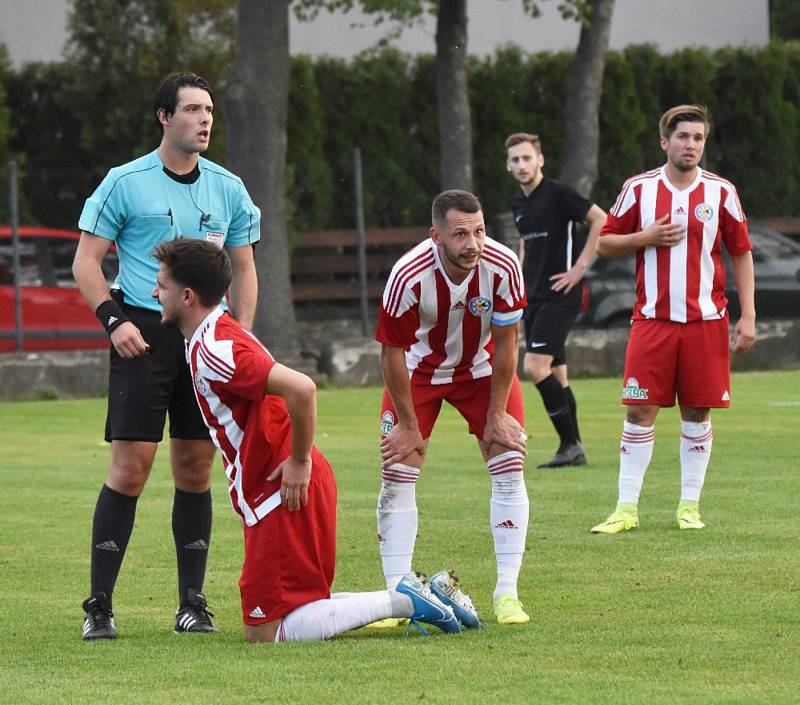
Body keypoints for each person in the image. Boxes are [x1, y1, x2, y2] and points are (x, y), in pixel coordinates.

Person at [151, 238, 481, 641]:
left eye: (161, 285)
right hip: (282, 487)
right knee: (297, 610)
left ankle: (408, 600)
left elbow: (303, 388)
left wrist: (299, 460)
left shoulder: (216, 347)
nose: (154, 292)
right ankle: (417, 594)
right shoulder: (210, 335)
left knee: (266, 632)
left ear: (187, 296)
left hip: (284, 489)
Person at [73, 72, 261, 640]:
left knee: (196, 469)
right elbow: (86, 262)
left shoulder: (228, 186)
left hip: (209, 338)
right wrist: (115, 321)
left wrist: (239, 338)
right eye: (193, 110)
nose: (205, 120)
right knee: (130, 469)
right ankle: (99, 607)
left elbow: (245, 267)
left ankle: (192, 604)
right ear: (164, 116)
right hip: (143, 333)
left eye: (209, 111)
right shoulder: (124, 182)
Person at [590, 104, 756, 535]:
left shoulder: (721, 192)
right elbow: (604, 243)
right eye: (683, 137)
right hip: (653, 320)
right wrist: (644, 238)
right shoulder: (639, 189)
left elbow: (740, 251)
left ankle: (689, 506)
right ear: (665, 142)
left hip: (706, 321)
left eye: (698, 138)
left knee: (697, 412)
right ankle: (626, 509)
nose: (691, 145)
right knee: (639, 409)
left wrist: (748, 314)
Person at [374, 189, 532, 626]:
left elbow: (507, 342)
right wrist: (407, 424)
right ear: (436, 236)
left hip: (482, 370)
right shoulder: (408, 275)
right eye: (460, 234)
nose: (473, 243)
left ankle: (507, 593)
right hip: (417, 373)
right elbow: (390, 352)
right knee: (398, 468)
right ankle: (395, 598)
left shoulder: (502, 266)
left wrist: (496, 414)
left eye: (479, 231)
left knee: (508, 461)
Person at [505, 133, 607, 468]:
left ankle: (569, 444)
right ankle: (573, 448)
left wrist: (578, 269)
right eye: (515, 160)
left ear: (540, 159)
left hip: (561, 294)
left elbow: (600, 219)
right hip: (533, 297)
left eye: (527, 158)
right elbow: (527, 246)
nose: (522, 165)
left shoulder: (559, 193)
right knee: (558, 376)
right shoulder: (520, 203)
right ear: (509, 165)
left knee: (534, 367)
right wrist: (519, 278)